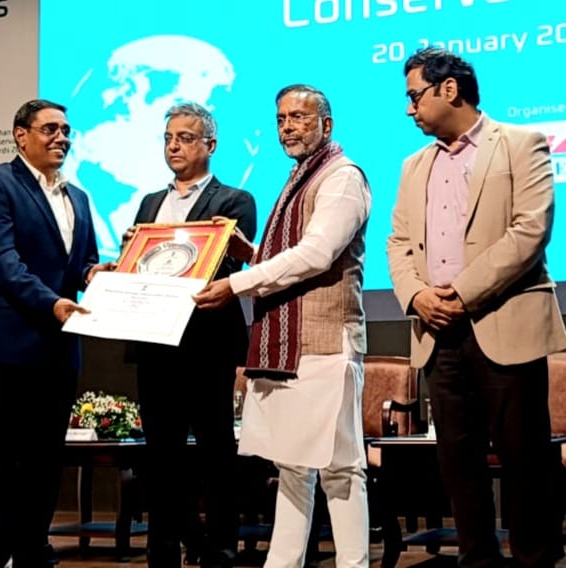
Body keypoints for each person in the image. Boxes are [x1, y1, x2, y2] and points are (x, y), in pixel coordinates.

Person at [386, 47, 566, 568]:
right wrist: (418, 296)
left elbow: (529, 231)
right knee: (457, 463)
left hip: (503, 322)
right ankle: (476, 561)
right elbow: (398, 243)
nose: (409, 108)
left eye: (414, 96)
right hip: (436, 331)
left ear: (449, 89)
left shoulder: (521, 143)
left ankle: (535, 559)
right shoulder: (413, 165)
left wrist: (461, 294)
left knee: (524, 459)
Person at [193, 84, 371, 568]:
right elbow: (291, 257)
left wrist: (236, 283)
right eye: (281, 119)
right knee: (292, 466)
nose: (288, 127)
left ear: (326, 125)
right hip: (289, 348)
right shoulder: (298, 178)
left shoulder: (341, 177)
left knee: (340, 468)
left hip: (325, 342)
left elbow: (316, 255)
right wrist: (249, 254)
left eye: (299, 117)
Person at [0, 99, 112, 568]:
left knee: (44, 464)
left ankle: (32, 553)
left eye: (66, 130)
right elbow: (4, 262)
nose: (61, 137)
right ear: (20, 135)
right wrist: (51, 303)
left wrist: (96, 274)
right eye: (49, 129)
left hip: (58, 350)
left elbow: (83, 261)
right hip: (3, 350)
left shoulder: (78, 196)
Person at [122, 101, 257, 568]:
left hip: (206, 344)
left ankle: (219, 550)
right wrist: (130, 254)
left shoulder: (234, 200)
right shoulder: (149, 203)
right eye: (168, 138)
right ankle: (162, 552)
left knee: (215, 453)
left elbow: (231, 264)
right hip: (155, 343)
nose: (174, 146)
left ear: (210, 144)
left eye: (184, 138)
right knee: (161, 457)